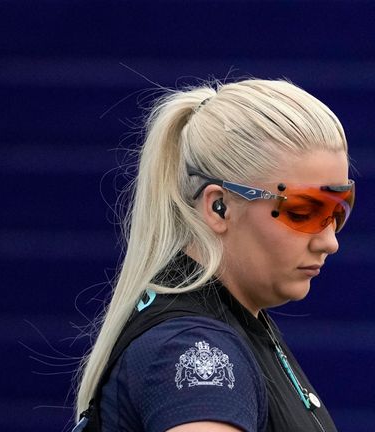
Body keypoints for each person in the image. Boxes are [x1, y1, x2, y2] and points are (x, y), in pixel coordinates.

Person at [73, 78, 355, 432]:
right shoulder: (191, 349)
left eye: (339, 210)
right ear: (219, 207)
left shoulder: (230, 324)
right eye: (303, 212)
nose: (330, 241)